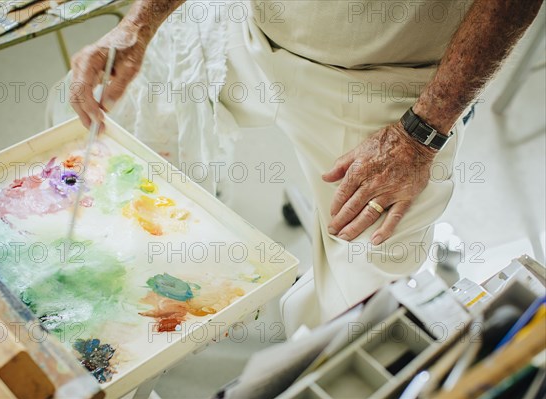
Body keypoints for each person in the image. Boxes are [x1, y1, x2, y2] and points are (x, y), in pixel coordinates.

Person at [68, 0, 543, 334]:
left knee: (366, 319)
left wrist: (420, 134)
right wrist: (141, 23)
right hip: (251, 31)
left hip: (387, 86)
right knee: (115, 114)